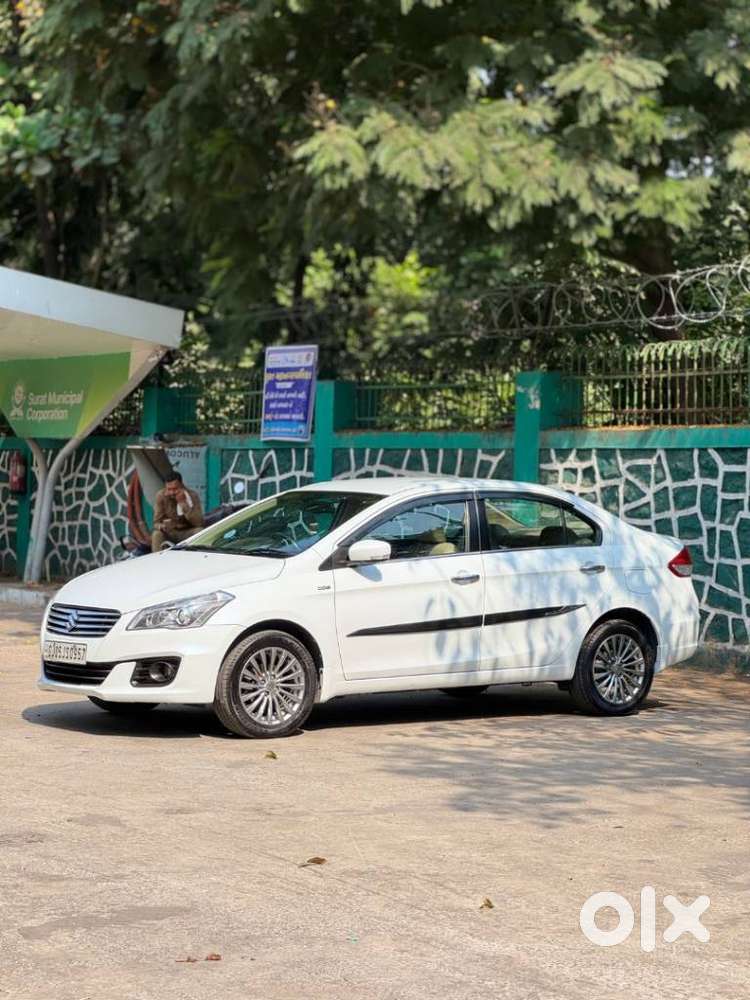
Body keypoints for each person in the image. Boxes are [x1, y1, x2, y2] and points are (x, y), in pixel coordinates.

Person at [151, 472, 204, 551]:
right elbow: (156, 522)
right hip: (170, 533)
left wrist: (183, 503)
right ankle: (156, 560)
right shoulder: (161, 496)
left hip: (187, 532)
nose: (172, 492)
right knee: (157, 535)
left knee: (199, 531)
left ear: (181, 486)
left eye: (175, 489)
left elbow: (199, 522)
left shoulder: (192, 495)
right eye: (169, 489)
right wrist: (161, 526)